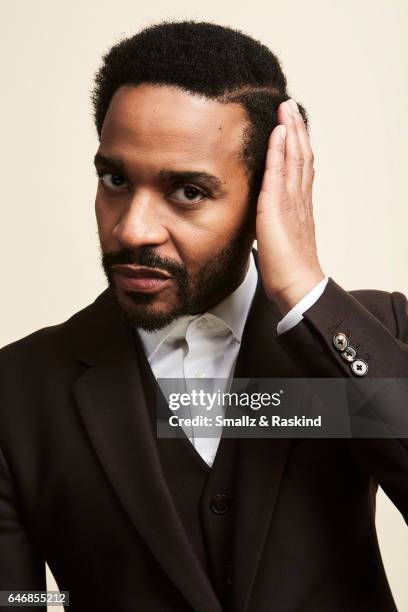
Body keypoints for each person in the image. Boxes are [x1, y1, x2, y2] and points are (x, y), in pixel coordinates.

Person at [0, 20, 407, 612]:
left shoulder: (369, 334)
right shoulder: (18, 388)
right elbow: (12, 600)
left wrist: (303, 291)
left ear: (267, 191)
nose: (132, 228)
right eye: (115, 179)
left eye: (187, 191)